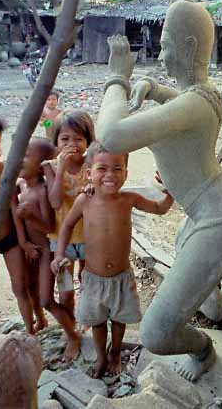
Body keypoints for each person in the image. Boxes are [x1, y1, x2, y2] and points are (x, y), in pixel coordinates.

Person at [95, 0, 222, 381]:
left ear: (188, 47)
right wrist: (153, 88)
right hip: (213, 204)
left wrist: (117, 78)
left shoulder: (195, 105)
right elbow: (182, 100)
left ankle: (204, 350)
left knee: (156, 333)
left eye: (166, 44)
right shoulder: (204, 95)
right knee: (186, 252)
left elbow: (113, 135)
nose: (159, 52)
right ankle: (211, 295)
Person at [51, 141, 174, 378]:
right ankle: (100, 357)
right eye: (102, 169)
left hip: (121, 279)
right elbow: (66, 226)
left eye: (117, 169)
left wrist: (170, 192)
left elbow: (160, 209)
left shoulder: (128, 199)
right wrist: (59, 255)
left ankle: (115, 352)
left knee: (119, 320)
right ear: (90, 173)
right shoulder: (84, 201)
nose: (110, 175)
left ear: (126, 173)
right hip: (93, 280)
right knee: (97, 322)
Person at [43, 109, 95, 356]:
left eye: (78, 139)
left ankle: (86, 320)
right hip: (61, 242)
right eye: (65, 139)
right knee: (65, 291)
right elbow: (54, 202)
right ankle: (70, 332)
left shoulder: (92, 165)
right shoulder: (51, 167)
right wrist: (61, 169)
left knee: (88, 283)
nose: (72, 145)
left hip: (89, 237)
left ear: (87, 141)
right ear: (56, 143)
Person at [0, 114, 36, 334]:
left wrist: (22, 239)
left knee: (20, 284)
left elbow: (13, 206)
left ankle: (30, 330)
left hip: (9, 238)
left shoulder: (1, 170)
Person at [15, 138, 56, 333]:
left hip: (43, 249)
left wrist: (31, 215)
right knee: (30, 287)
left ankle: (69, 329)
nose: (21, 159)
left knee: (44, 296)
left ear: (41, 168)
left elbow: (49, 226)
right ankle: (40, 320)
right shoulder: (22, 185)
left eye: (26, 156)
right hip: (28, 248)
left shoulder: (42, 191)